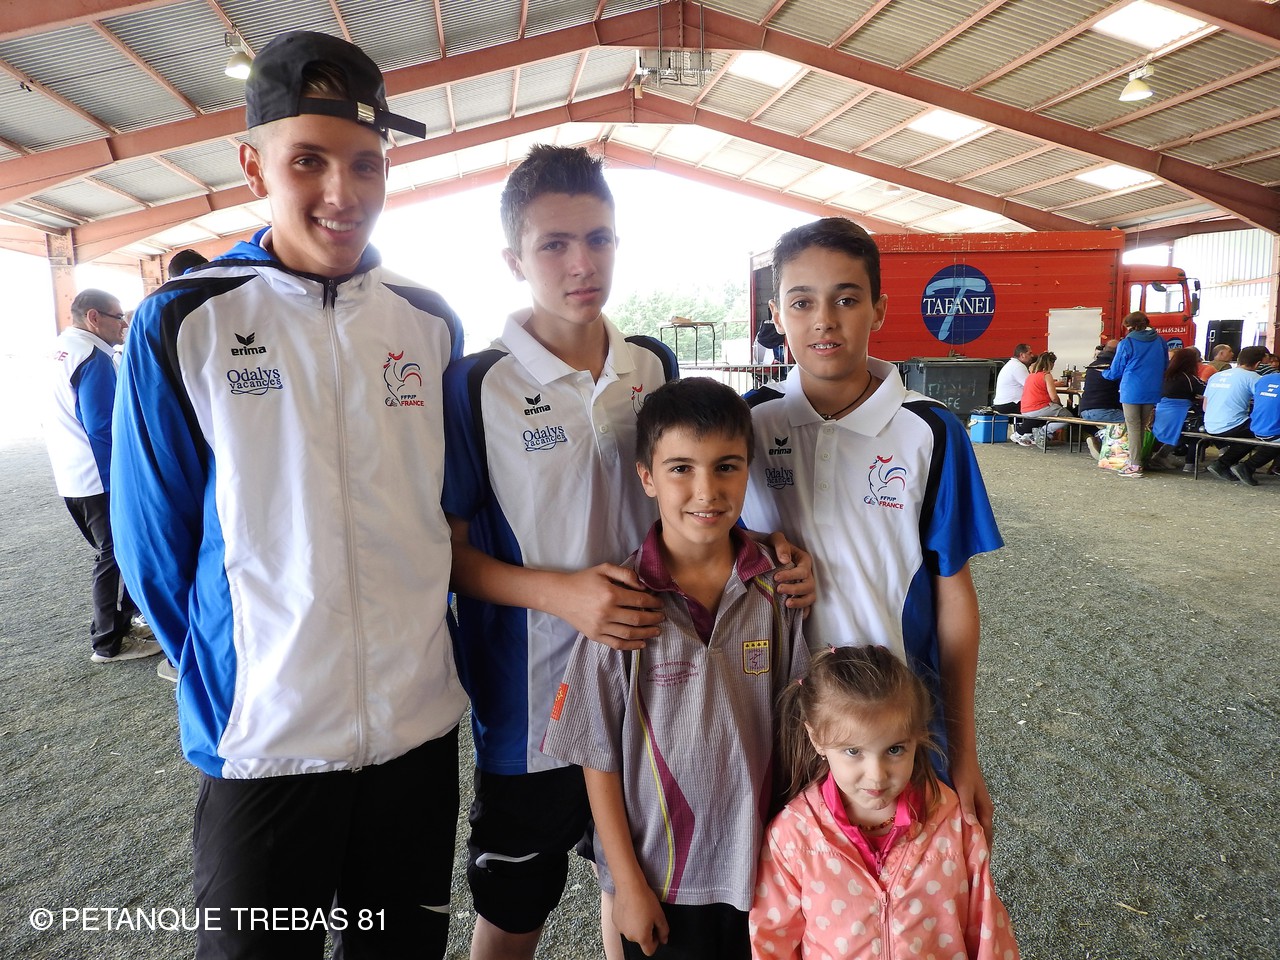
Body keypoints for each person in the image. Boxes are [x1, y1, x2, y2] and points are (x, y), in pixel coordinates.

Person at [111, 31, 466, 959]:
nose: (342, 193)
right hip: (266, 740)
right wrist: (244, 682)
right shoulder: (185, 320)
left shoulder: (428, 321)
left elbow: (445, 511)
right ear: (253, 164)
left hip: (417, 729)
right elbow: (152, 549)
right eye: (308, 160)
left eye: (365, 163)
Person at [442, 145, 815, 960]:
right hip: (534, 706)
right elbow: (446, 555)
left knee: (636, 886)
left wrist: (767, 547)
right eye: (554, 244)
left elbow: (694, 490)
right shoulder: (475, 384)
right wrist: (561, 595)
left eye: (599, 238)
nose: (582, 263)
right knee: (514, 906)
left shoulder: (651, 363)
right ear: (514, 259)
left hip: (661, 689)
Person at [741, 217, 1003, 841]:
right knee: (786, 888)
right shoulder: (749, 424)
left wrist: (964, 752)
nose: (824, 320)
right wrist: (760, 548)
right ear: (776, 315)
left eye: (846, 299)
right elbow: (701, 542)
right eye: (802, 302)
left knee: (903, 889)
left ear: (879, 310)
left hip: (892, 736)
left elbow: (954, 594)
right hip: (776, 721)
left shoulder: (930, 431)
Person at [542, 378, 808, 960]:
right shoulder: (622, 603)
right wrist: (626, 884)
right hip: (659, 880)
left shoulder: (777, 587)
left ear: (748, 470)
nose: (706, 490)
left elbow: (800, 728)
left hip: (765, 870)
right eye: (681, 468)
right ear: (647, 477)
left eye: (726, 467)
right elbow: (596, 756)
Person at [749, 646, 1019, 960]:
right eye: (853, 751)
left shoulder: (953, 822)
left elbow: (987, 931)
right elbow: (772, 943)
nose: (876, 776)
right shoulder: (792, 837)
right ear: (816, 737)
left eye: (894, 750)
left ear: (918, 736)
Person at [45, 289, 161, 666]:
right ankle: (108, 642)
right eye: (117, 316)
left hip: (72, 475)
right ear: (93, 317)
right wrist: (130, 470)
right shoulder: (92, 355)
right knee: (115, 553)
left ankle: (123, 624)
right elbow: (101, 425)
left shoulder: (61, 349)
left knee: (113, 552)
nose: (123, 324)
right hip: (99, 476)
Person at [1102, 311, 1169, 479]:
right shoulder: (1160, 341)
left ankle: (1134, 465)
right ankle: (1137, 460)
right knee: (1142, 427)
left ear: (1130, 326)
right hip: (1152, 389)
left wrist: (1104, 373)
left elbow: (1116, 371)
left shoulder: (1127, 342)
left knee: (1133, 427)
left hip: (1132, 390)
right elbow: (1165, 365)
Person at [1203, 345, 1267, 483]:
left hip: (1209, 424)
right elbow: (1266, 403)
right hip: (1231, 425)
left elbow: (1204, 406)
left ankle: (1224, 463)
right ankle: (1228, 464)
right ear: (1258, 364)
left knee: (1253, 428)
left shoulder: (1216, 376)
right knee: (1265, 431)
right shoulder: (1254, 378)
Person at [1149, 347, 1205, 472]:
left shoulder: (1163, 376)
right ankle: (1190, 464)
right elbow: (1206, 390)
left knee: (1180, 432)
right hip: (1180, 415)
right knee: (1199, 428)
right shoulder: (1189, 378)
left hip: (1161, 414)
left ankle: (1161, 456)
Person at [1078, 340, 1123, 458]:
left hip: (1084, 410)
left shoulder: (1092, 365)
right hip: (1104, 410)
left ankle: (1099, 435)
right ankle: (1104, 441)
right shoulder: (1115, 367)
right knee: (1134, 422)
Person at [1014, 351, 1069, 447]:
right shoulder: (1046, 375)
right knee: (1068, 417)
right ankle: (1042, 432)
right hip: (1038, 408)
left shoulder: (1031, 375)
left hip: (1025, 409)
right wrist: (1060, 405)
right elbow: (1054, 397)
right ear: (1050, 363)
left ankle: (1043, 435)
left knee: (1053, 412)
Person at [992, 343, 1033, 438]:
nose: (1032, 356)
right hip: (1010, 404)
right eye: (1029, 353)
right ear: (1022, 355)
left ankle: (1025, 433)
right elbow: (1031, 385)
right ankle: (1020, 434)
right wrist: (1051, 383)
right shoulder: (1018, 366)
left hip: (1002, 403)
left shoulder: (1012, 364)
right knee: (1039, 410)